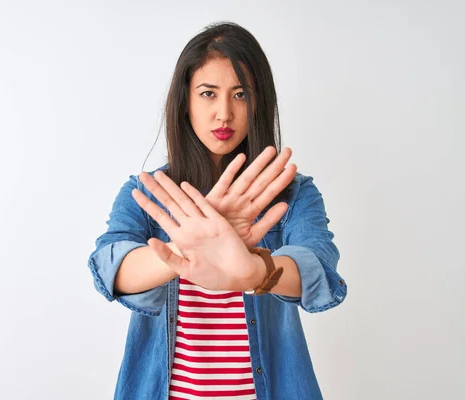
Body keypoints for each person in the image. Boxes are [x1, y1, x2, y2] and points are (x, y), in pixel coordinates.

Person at [88, 21, 348, 400]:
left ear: (259, 103)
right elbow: (112, 268)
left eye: (240, 94)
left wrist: (257, 271)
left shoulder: (293, 194)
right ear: (185, 102)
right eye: (208, 93)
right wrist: (188, 246)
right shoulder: (147, 192)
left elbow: (319, 270)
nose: (224, 113)